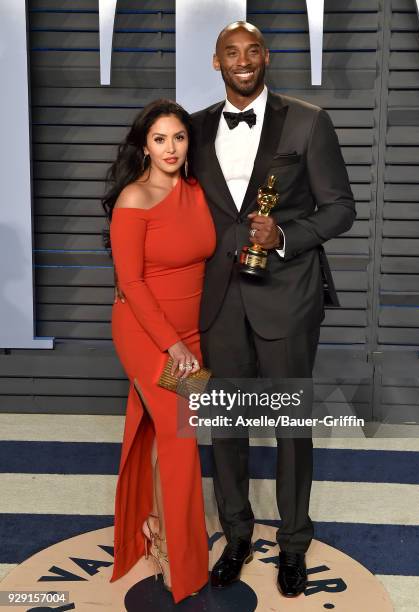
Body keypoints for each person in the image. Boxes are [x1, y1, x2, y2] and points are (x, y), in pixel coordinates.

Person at [189, 22, 356, 597]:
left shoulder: (308, 120)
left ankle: (292, 544)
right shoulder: (195, 127)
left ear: (267, 57)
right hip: (218, 299)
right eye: (231, 53)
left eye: (252, 51)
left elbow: (340, 210)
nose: (243, 61)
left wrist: (283, 232)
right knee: (227, 426)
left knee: (290, 427)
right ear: (216, 63)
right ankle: (236, 535)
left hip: (286, 293)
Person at [103, 99, 215, 603]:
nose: (170, 149)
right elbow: (130, 281)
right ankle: (180, 560)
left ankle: (151, 524)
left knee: (157, 430)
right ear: (144, 146)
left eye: (179, 138)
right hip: (149, 335)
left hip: (188, 337)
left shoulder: (196, 191)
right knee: (179, 438)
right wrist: (171, 346)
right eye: (159, 139)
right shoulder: (134, 198)